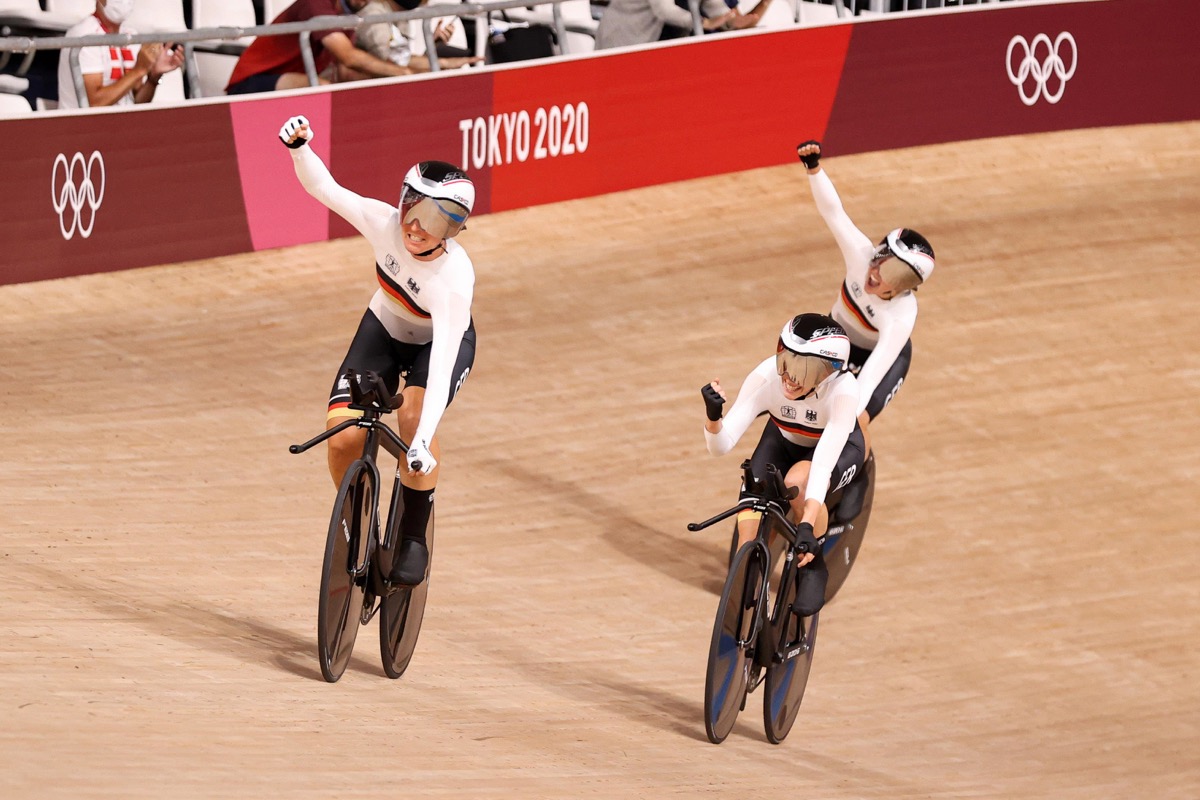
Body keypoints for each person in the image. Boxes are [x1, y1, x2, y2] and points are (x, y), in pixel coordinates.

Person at [278, 114, 477, 586]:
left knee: (411, 417)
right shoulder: (383, 223)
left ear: (454, 229)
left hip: (438, 344)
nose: (416, 227)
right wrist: (300, 149)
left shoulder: (452, 281)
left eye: (435, 219)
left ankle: (412, 533)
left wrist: (423, 442)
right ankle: (358, 528)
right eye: (412, 208)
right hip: (385, 327)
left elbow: (446, 356)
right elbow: (324, 189)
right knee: (342, 436)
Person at [701, 313, 864, 616]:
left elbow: (823, 464)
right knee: (747, 539)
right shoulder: (766, 377)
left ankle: (813, 566)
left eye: (803, 368)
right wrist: (713, 418)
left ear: (828, 372)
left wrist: (806, 526)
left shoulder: (844, 391)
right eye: (786, 359)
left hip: (835, 450)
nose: (788, 376)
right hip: (783, 441)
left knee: (798, 482)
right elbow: (720, 446)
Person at [795, 139, 936, 459]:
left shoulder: (902, 315)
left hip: (882, 360)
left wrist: (842, 424)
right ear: (878, 251)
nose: (878, 276)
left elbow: (870, 378)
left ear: (907, 287)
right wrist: (814, 169)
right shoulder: (860, 255)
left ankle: (855, 471)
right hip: (836, 341)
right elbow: (834, 212)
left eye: (897, 278)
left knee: (854, 423)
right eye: (882, 262)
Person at [228, 0, 410, 95]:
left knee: (353, 86)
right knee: (324, 89)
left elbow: (346, 70)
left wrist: (412, 73)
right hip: (249, 83)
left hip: (290, 78)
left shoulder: (347, 14)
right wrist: (402, 73)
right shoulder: (316, 3)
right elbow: (349, 57)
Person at [56, 0, 184, 109]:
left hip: (120, 129)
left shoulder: (130, 36)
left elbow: (137, 102)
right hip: (81, 132)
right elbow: (94, 104)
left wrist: (153, 78)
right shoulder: (83, 35)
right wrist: (139, 70)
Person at [328, 0, 479, 82]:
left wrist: (437, 57)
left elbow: (400, 60)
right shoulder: (374, 14)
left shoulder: (399, 15)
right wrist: (430, 67)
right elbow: (389, 65)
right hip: (364, 94)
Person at [594, 0, 739, 50]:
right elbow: (663, 10)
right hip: (625, 37)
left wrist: (730, 20)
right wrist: (703, 23)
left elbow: (713, 5)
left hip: (661, 38)